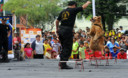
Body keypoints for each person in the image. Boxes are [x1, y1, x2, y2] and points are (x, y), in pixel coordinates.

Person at [56, 1, 91, 69]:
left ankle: (62, 62)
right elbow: (83, 7)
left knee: (64, 47)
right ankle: (63, 64)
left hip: (61, 29)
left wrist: (57, 29)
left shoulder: (63, 11)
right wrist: (87, 2)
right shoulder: (73, 10)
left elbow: (57, 21)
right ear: (74, 5)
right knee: (68, 47)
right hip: (67, 30)